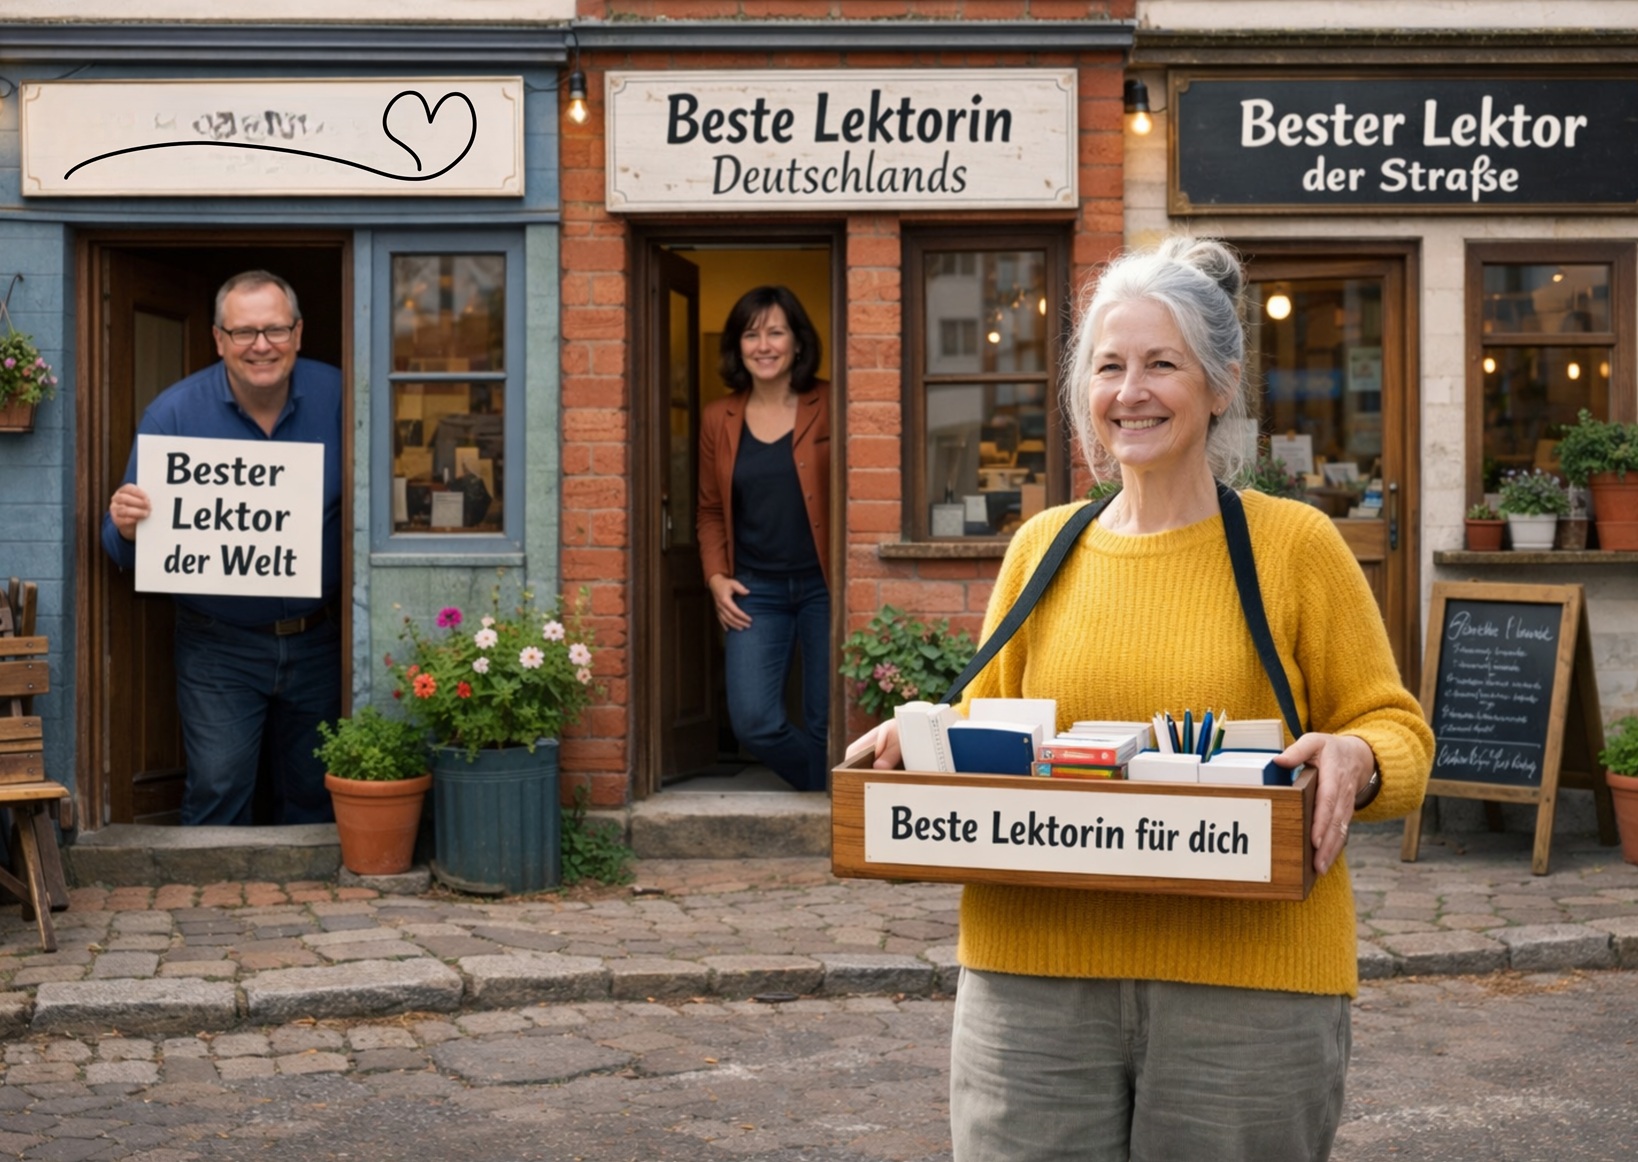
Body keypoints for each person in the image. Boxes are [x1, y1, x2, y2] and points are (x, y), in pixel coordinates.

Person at [855, 237, 1434, 1161]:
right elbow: (988, 726)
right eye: (1109, 366)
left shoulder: (1295, 547)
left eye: (1163, 364)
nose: (1132, 392)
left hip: (1250, 992)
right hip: (1031, 988)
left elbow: (1396, 730)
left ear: (1221, 384)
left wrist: (1358, 755)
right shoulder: (1041, 549)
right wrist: (922, 739)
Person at [102, 270, 342, 827]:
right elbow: (120, 547)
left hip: (320, 638)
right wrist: (127, 528)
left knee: (318, 790)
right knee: (218, 787)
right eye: (243, 332)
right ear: (218, 339)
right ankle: (206, 886)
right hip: (219, 644)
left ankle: (308, 887)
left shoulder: (342, 397)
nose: (261, 345)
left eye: (275, 329)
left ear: (298, 333)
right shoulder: (174, 414)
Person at [697, 285, 831, 792]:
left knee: (826, 719)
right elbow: (710, 509)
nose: (764, 345)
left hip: (824, 585)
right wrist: (716, 577)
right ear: (738, 346)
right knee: (753, 720)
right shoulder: (719, 418)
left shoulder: (830, 402)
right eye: (751, 335)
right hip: (756, 590)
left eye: (776, 332)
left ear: (797, 341)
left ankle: (829, 809)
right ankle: (823, 789)